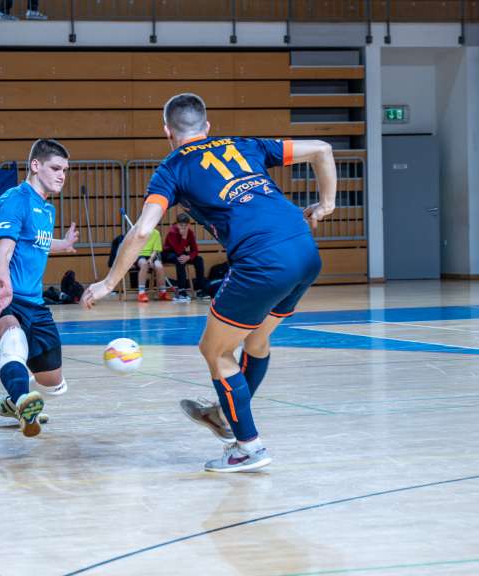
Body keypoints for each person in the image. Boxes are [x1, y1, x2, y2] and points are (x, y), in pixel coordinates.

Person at [82, 93, 336, 472]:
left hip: (262, 262)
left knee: (215, 352)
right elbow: (322, 148)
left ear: (167, 131)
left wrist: (108, 282)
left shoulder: (172, 168)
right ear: (208, 126)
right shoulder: (243, 144)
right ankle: (223, 414)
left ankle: (247, 447)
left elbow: (141, 232)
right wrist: (326, 203)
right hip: (305, 252)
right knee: (256, 340)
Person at [0, 139, 78, 437]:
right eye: (55, 168)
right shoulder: (15, 200)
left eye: (65, 170)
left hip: (35, 304)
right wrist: (4, 286)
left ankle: (13, 398)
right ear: (35, 166)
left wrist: (64, 244)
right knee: (14, 340)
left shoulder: (46, 208)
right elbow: (2, 253)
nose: (61, 175)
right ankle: (21, 402)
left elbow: (36, 243)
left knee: (55, 384)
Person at [163, 212, 205, 301]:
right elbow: (178, 250)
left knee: (199, 259)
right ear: (177, 224)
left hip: (181, 252)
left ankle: (200, 290)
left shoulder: (190, 232)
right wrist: (184, 237)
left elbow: (195, 250)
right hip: (169, 253)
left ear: (188, 225)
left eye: (185, 225)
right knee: (180, 260)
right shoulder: (172, 232)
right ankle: (181, 291)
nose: (183, 228)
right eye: (181, 225)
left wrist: (189, 257)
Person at [136, 228, 171, 302]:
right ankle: (141, 293)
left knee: (159, 266)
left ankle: (163, 292)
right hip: (139, 255)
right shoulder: (137, 232)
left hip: (152, 256)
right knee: (144, 264)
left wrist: (151, 259)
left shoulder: (156, 233)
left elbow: (155, 250)